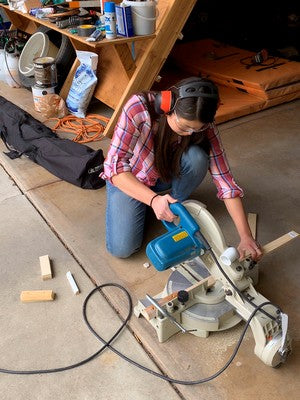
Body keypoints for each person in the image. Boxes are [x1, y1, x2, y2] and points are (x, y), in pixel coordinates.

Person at [100, 77, 262, 261]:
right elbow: (115, 166)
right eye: (184, 126)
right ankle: (155, 203)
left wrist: (246, 236)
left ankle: (174, 204)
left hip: (164, 175)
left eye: (197, 129)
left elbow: (225, 181)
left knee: (198, 158)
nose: (190, 133)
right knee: (122, 249)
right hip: (130, 178)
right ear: (167, 107)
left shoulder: (203, 123)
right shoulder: (139, 108)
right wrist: (152, 200)